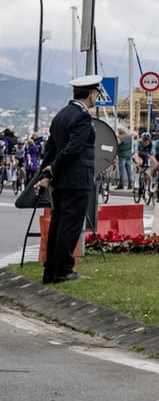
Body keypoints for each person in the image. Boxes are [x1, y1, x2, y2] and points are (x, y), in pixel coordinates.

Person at [39, 76, 102, 283]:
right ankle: (64, 269)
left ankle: (51, 269)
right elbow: (74, 148)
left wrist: (47, 174)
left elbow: (50, 149)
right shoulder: (82, 117)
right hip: (77, 178)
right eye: (96, 95)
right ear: (91, 95)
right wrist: (54, 168)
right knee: (70, 225)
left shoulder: (61, 115)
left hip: (61, 180)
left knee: (58, 223)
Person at [115, 125, 132, 192]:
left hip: (122, 155)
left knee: (121, 171)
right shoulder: (129, 137)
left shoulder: (120, 137)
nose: (118, 131)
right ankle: (130, 184)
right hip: (129, 155)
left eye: (118, 130)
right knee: (129, 170)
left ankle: (121, 184)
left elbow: (117, 143)